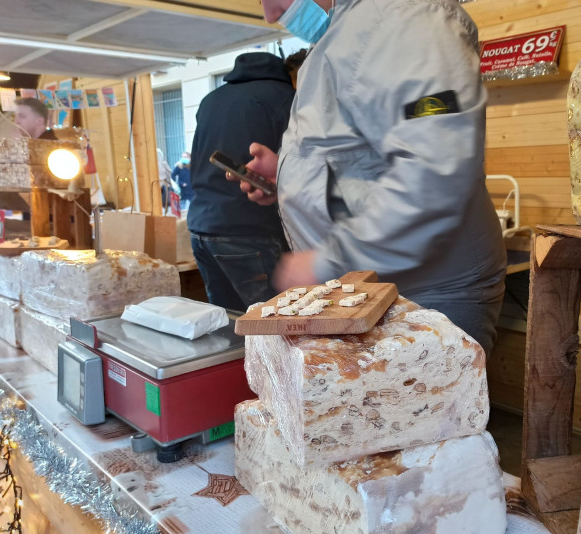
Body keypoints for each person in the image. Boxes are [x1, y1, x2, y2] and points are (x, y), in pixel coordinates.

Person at [234, 0, 506, 357]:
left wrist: (328, 262)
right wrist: (286, 176)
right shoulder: (341, 35)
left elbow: (434, 168)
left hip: (426, 294)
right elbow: (354, 153)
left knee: (415, 409)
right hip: (372, 290)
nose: (271, 15)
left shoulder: (405, 19)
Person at [188, 52, 295, 311]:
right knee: (277, 328)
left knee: (230, 322)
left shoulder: (210, 100)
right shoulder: (284, 97)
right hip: (248, 228)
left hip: (202, 227)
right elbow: (299, 161)